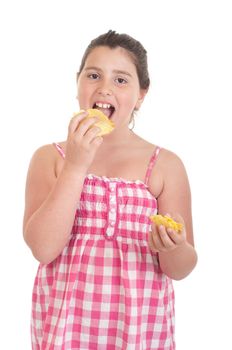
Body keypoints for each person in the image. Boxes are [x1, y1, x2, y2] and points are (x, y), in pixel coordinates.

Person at [23, 30, 197, 350]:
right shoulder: (51, 158)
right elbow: (43, 249)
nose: (104, 88)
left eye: (121, 80)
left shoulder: (165, 165)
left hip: (140, 333)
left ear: (141, 94)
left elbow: (182, 267)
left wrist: (173, 247)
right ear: (77, 84)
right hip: (66, 333)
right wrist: (76, 166)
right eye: (93, 75)